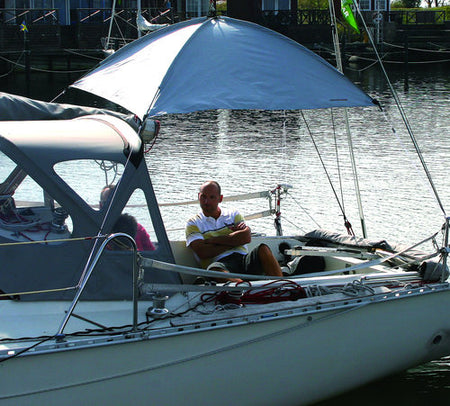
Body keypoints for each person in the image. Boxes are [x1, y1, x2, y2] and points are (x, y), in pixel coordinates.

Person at [185, 180, 282, 282]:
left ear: (220, 199)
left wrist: (213, 240)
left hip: (243, 259)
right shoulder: (193, 223)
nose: (206, 202)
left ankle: (281, 285)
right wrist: (235, 240)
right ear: (198, 196)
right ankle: (243, 287)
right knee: (215, 270)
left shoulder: (233, 215)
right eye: (203, 197)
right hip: (220, 263)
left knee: (263, 249)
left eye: (212, 197)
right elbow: (203, 252)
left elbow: (246, 237)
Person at [100, 185, 155, 251]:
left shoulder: (139, 229)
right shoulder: (95, 233)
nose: (111, 207)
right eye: (107, 203)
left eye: (115, 203)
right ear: (100, 205)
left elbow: (152, 253)